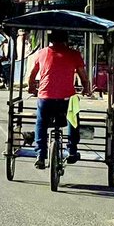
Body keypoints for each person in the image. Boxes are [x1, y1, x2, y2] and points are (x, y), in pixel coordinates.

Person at [27, 30, 93, 169]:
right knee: (72, 118)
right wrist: (86, 89)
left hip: (45, 97)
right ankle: (72, 150)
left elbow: (32, 76)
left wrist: (31, 88)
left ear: (51, 40)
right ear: (66, 41)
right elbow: (83, 76)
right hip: (67, 98)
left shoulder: (42, 53)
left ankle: (40, 154)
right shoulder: (74, 54)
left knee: (41, 122)